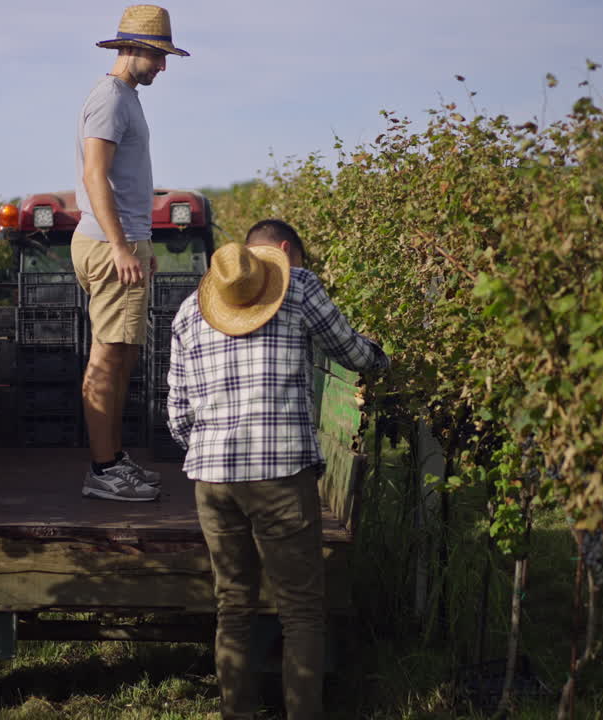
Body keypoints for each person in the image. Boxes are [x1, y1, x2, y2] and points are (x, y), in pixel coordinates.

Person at [167, 219, 389, 720]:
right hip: (280, 472)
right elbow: (350, 351)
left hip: (212, 478)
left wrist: (208, 453)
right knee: (302, 610)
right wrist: (384, 361)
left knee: (234, 606)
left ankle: (236, 713)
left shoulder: (187, 312)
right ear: (285, 253)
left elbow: (177, 414)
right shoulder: (300, 286)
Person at [72, 5, 189, 502]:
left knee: (123, 355)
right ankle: (101, 470)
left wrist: (139, 245)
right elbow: (94, 175)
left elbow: (124, 181)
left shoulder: (126, 98)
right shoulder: (110, 98)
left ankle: (113, 459)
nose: (162, 67)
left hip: (123, 241)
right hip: (106, 242)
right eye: (158, 57)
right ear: (133, 49)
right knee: (107, 356)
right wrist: (121, 246)